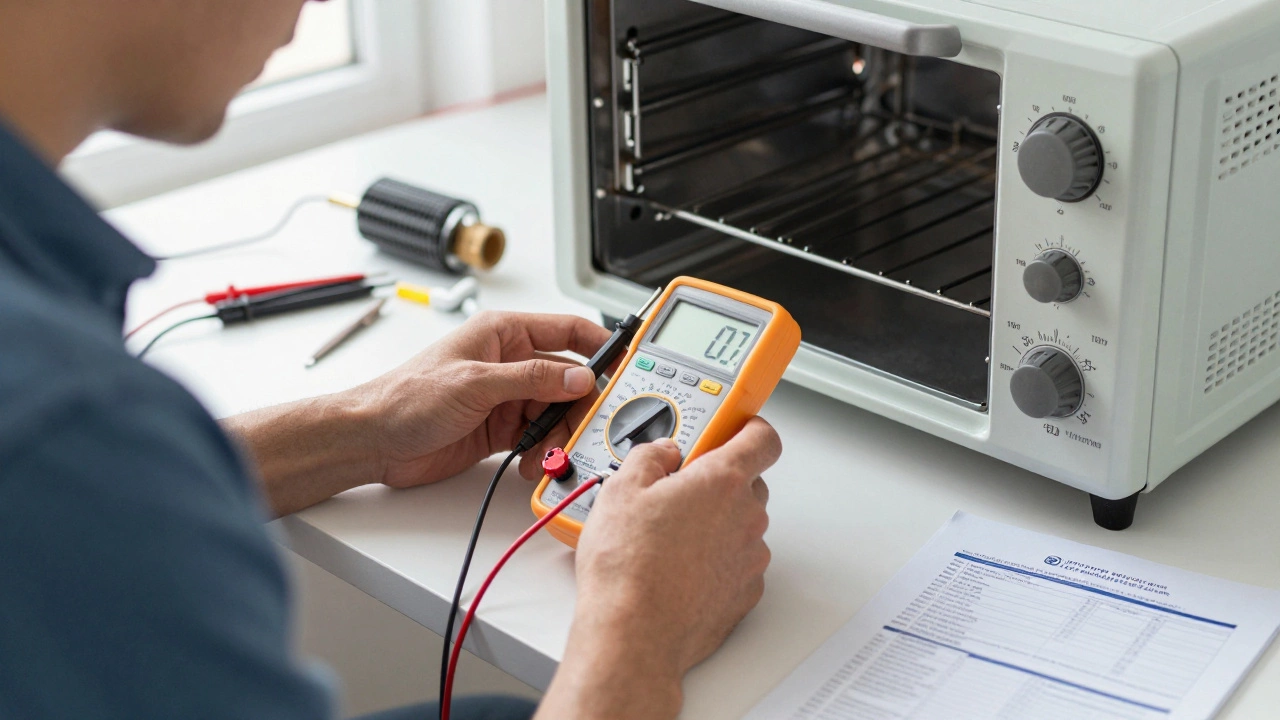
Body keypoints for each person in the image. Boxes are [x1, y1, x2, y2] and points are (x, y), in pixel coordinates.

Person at [0, 2, 781, 719]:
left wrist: (362, 428)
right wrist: (641, 627)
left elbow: (90, 496)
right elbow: (66, 469)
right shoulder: (63, 422)